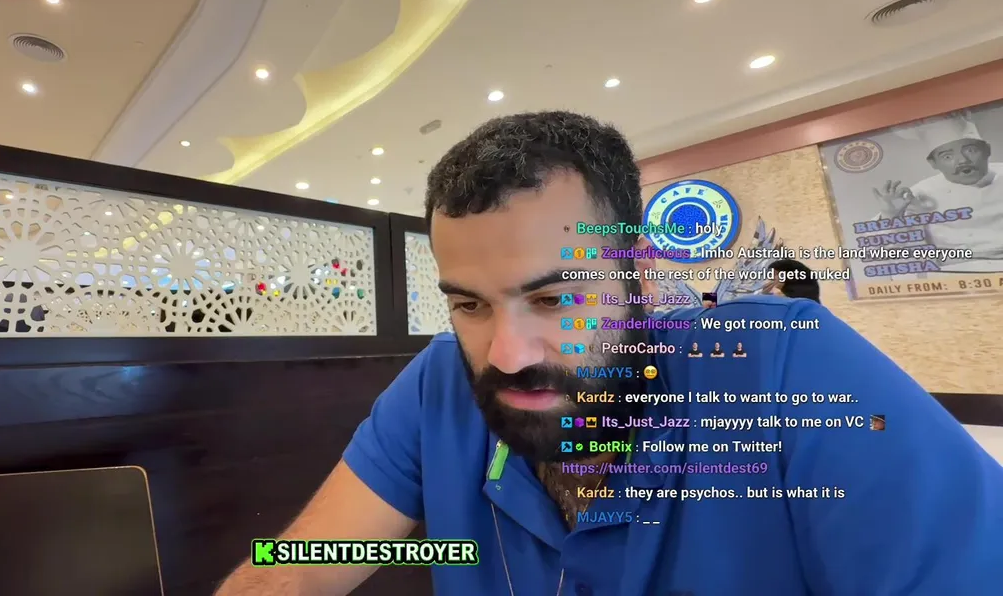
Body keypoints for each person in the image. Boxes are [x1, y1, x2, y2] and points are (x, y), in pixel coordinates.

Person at [214, 111, 1003, 595]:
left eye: (556, 299)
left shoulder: (779, 365)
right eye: (470, 305)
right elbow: (301, 565)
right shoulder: (438, 388)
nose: (508, 355)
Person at [872, 112, 1003, 271]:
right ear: (933, 163)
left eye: (970, 150)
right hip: (955, 274)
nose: (963, 160)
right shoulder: (921, 193)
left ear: (987, 150)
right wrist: (890, 215)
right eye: (947, 156)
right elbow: (882, 252)